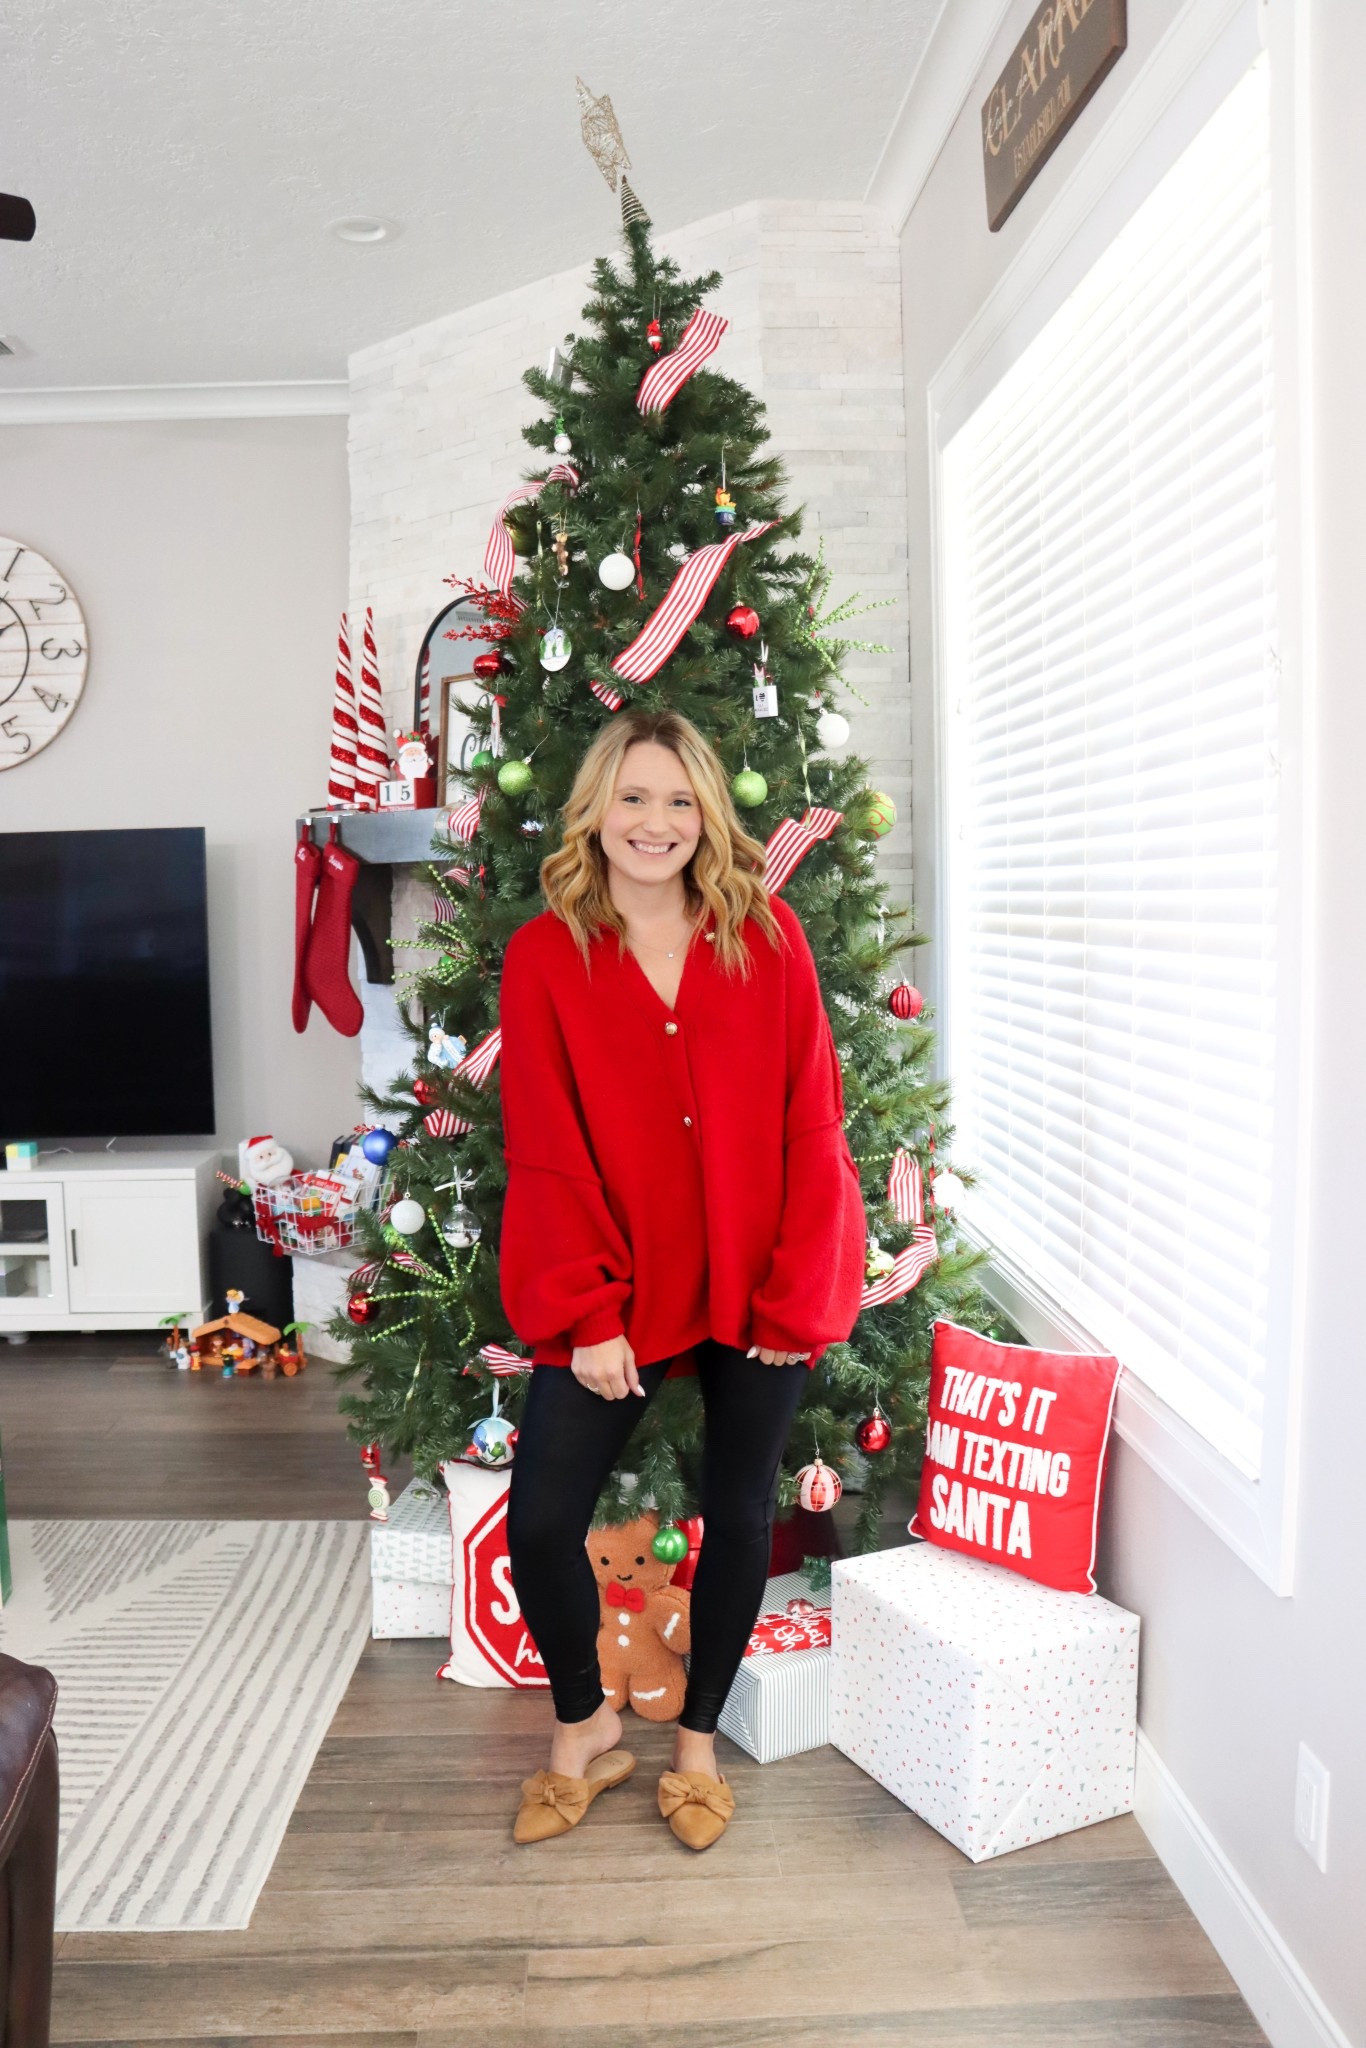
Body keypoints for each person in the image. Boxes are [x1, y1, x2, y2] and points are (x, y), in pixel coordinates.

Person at [499, 706, 866, 1851]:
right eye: (631, 797)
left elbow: (814, 1118)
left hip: (757, 1287)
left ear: (705, 812)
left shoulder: (769, 936)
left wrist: (798, 1290)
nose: (653, 822)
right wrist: (586, 1310)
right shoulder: (545, 954)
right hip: (624, 1289)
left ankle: (696, 1740)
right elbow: (546, 1145)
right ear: (594, 811)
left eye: (676, 798)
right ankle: (583, 1726)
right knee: (542, 1517)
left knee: (741, 1511)